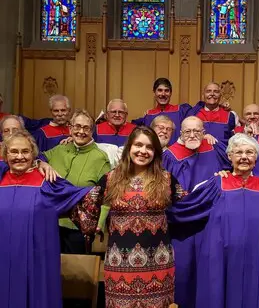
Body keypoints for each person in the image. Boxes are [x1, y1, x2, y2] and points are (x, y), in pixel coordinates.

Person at [167, 133, 259, 308]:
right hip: (220, 256)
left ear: (256, 157)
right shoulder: (217, 183)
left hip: (255, 257)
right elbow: (188, 208)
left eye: (250, 152)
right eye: (238, 153)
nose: (244, 157)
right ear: (229, 157)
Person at [0, 130, 100, 308]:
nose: (20, 156)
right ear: (5, 155)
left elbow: (83, 195)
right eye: (13, 151)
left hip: (36, 259)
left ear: (33, 154)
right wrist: (41, 162)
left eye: (26, 151)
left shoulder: (46, 182)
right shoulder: (1, 178)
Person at [102, 126, 182, 307]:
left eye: (149, 147)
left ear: (156, 152)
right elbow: (84, 203)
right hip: (120, 265)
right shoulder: (110, 178)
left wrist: (219, 181)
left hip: (159, 264)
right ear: (129, 147)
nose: (143, 151)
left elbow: (190, 207)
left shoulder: (167, 179)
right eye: (138, 145)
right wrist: (40, 165)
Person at [162, 116, 231, 307]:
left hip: (209, 223)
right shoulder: (170, 156)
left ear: (204, 131)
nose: (192, 135)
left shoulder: (214, 149)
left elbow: (231, 170)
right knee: (183, 273)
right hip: (181, 226)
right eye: (187, 132)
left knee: (209, 272)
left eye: (197, 131)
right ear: (181, 134)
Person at [40, 109, 111, 254]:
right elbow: (37, 158)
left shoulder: (100, 157)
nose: (81, 131)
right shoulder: (60, 149)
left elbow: (106, 192)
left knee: (75, 273)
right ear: (70, 128)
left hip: (78, 228)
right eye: (77, 126)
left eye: (86, 128)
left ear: (92, 131)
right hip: (50, 223)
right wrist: (43, 163)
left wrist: (99, 223)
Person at [132, 78, 192, 145]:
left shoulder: (181, 111)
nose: (163, 94)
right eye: (160, 90)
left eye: (166, 91)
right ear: (154, 92)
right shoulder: (149, 115)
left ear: (171, 93)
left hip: (176, 153)